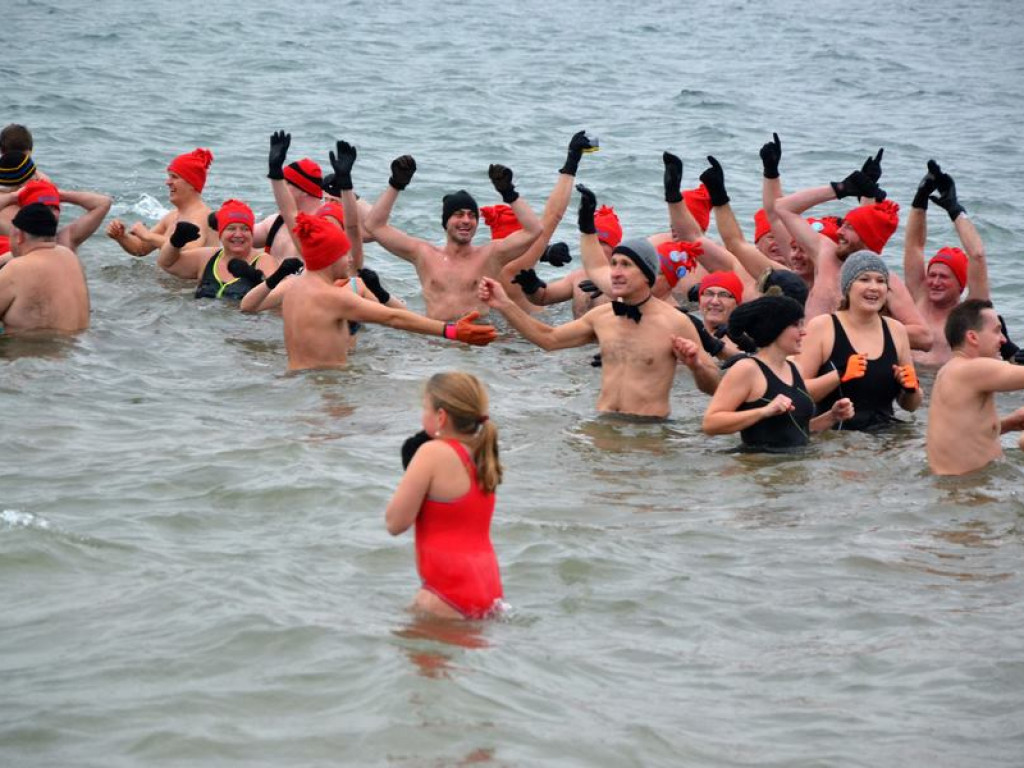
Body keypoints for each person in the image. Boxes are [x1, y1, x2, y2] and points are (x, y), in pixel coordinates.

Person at [478, 189, 720, 418]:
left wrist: (696, 364)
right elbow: (548, 339)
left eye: (626, 265)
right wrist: (503, 304)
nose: (615, 272)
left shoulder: (675, 321)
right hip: (602, 425)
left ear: (647, 274)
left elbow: (714, 385)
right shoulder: (603, 316)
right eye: (613, 264)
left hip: (648, 433)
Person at [281, 213, 497, 370]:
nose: (350, 260)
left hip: (298, 381)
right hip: (327, 387)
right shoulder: (333, 297)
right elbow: (393, 317)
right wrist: (452, 331)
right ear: (328, 258)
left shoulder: (293, 288)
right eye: (344, 254)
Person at [775, 153, 933, 351]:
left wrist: (865, 328)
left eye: (849, 227)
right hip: (805, 358)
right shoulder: (826, 254)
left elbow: (924, 337)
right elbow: (783, 208)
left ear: (866, 238)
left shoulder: (885, 281)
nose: (839, 231)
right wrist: (840, 188)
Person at [385, 372, 505, 620]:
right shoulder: (482, 453)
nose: (422, 416)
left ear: (441, 417)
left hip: (447, 592)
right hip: (487, 585)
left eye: (424, 408)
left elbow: (395, 523)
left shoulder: (432, 453)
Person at [364, 153, 542, 319]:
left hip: (477, 342)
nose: (466, 220)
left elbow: (534, 230)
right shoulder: (423, 254)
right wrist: (396, 184)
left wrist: (509, 193)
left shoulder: (491, 255)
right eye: (458, 214)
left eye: (472, 215)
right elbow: (374, 225)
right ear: (445, 222)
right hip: (437, 340)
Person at [702, 295, 853, 450]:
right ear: (774, 328)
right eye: (796, 325)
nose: (804, 332)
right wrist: (764, 411)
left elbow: (796, 431)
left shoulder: (794, 368)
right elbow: (710, 423)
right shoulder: (747, 369)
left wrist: (832, 416)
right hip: (759, 468)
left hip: (796, 467)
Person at [796, 251, 922, 431]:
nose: (874, 287)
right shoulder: (822, 327)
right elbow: (798, 393)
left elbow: (910, 406)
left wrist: (911, 388)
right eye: (864, 279)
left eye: (881, 281)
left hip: (885, 440)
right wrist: (840, 375)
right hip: (837, 443)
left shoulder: (896, 330)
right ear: (848, 287)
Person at [903, 160, 989, 366]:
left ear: (961, 284)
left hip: (946, 388)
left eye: (944, 277)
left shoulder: (969, 314)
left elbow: (977, 255)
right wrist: (919, 201)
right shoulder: (920, 298)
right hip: (911, 389)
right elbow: (913, 246)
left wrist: (955, 209)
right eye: (932, 275)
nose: (934, 282)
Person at [927, 299, 1024, 475]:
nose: (1003, 339)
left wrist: (1009, 423)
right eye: (997, 331)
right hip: (969, 490)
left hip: (958, 488)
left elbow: (964, 434)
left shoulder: (951, 370)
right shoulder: (972, 369)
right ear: (972, 337)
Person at [157, 198, 280, 299]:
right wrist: (175, 242)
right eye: (231, 228)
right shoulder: (207, 257)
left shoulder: (263, 261)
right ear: (220, 233)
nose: (238, 234)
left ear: (252, 233)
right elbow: (167, 264)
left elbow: (278, 295)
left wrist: (256, 278)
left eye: (245, 229)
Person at [107, 147, 218, 256]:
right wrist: (121, 236)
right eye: (169, 177)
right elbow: (141, 248)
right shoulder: (172, 217)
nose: (167, 182)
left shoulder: (202, 216)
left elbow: (191, 248)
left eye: (174, 177)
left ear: (192, 184)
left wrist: (147, 235)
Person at [0, 203, 89, 333]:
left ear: (19, 236)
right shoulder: (70, 257)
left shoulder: (17, 269)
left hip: (29, 350)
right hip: (74, 349)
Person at [253, 139, 325, 263]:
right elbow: (240, 237)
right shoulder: (275, 222)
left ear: (304, 190)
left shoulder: (327, 225)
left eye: (285, 184)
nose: (278, 189)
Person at [0, 177, 112, 254]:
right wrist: (14, 196)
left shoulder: (66, 239)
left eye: (54, 208)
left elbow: (103, 202)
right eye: (44, 208)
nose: (50, 213)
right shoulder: (13, 236)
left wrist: (60, 194)